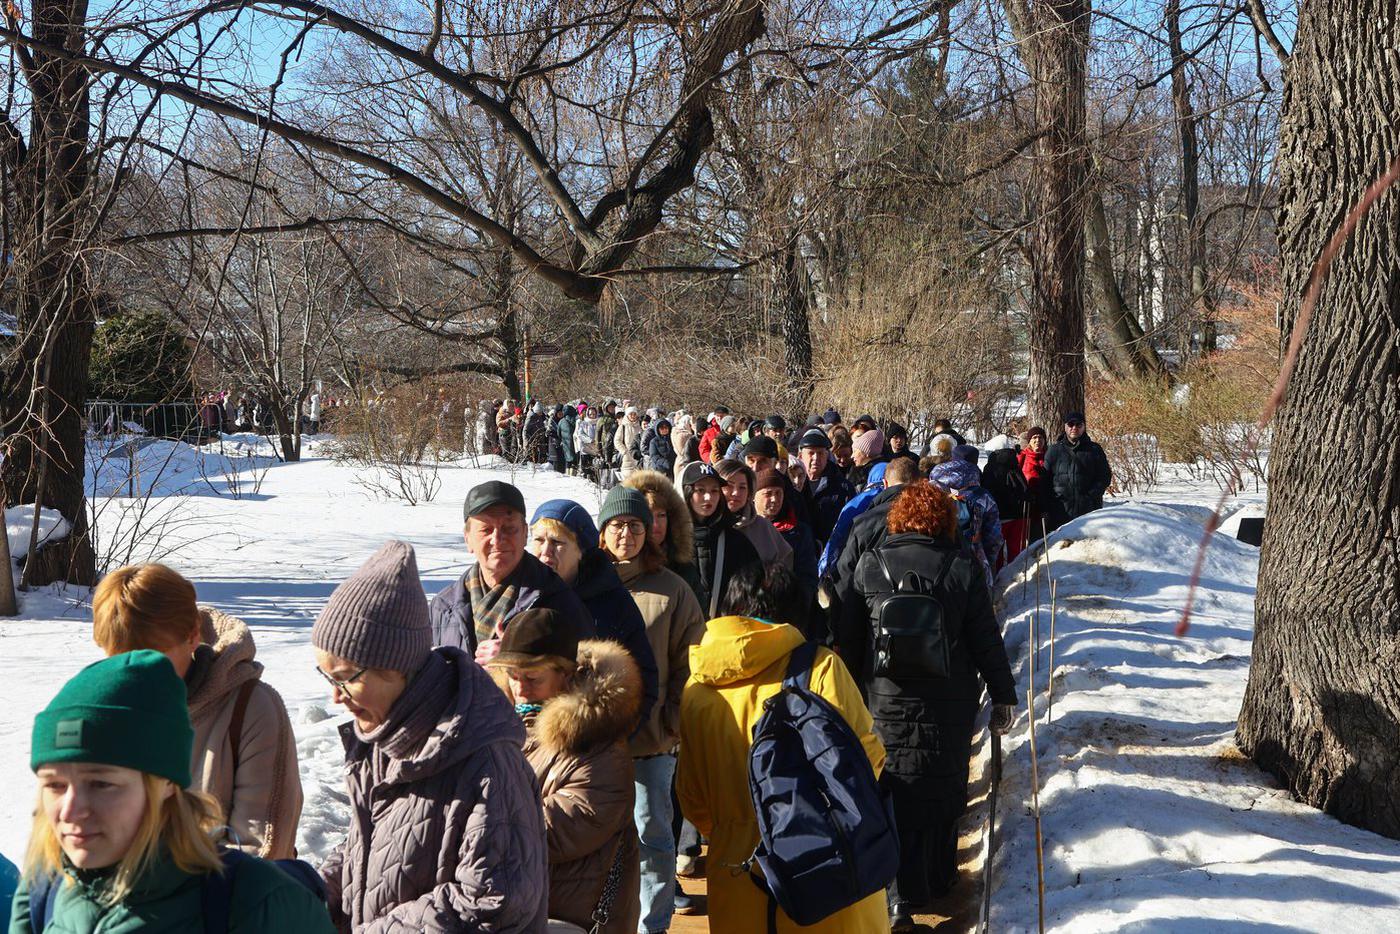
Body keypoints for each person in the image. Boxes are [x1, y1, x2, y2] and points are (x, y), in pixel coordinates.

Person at [314, 540, 547, 930]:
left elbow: (492, 898)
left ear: (396, 669)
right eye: (326, 677)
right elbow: (370, 846)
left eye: (345, 679)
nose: (334, 697)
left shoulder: (485, 760)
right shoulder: (382, 735)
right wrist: (311, 891)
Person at [12, 651, 333, 932]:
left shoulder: (257, 904)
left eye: (101, 783)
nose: (70, 810)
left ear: (165, 784)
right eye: (54, 785)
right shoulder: (41, 893)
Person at [836, 482, 1016, 928]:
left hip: (883, 700)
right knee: (940, 785)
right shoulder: (961, 567)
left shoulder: (870, 565)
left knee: (891, 786)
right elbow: (985, 639)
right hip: (947, 703)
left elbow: (847, 637)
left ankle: (894, 893)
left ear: (897, 519)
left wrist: (848, 695)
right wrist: (1003, 695)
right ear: (944, 521)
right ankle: (935, 879)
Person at [676, 564, 889, 934]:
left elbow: (693, 799)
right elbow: (867, 760)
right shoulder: (821, 667)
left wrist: (739, 826)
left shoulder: (696, 689)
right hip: (825, 870)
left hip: (737, 873)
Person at [90, 563, 302, 859]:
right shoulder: (103, 713)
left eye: (152, 658)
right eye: (119, 660)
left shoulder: (252, 709)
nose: (136, 674)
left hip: (227, 901)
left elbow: (263, 851)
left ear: (192, 635)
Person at [487, 611, 643, 934]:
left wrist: (471, 820)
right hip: (518, 912)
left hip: (575, 918)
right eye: (513, 676)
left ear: (567, 676)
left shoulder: (601, 748)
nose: (520, 689)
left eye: (533, 678)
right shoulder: (502, 729)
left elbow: (548, 832)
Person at [596, 486, 706, 934]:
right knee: (594, 839)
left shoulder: (671, 590)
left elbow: (690, 660)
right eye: (617, 524)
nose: (626, 533)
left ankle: (652, 926)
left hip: (651, 743)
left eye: (636, 525)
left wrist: (673, 721)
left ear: (650, 533)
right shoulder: (585, 585)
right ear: (602, 531)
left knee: (653, 839)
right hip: (592, 744)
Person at [429, 480, 596, 661]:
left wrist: (520, 659)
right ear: (467, 538)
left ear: (525, 534)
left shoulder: (558, 602)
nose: (497, 539)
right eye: (486, 530)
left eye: (509, 528)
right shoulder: (443, 607)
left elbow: (586, 677)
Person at [528, 499, 660, 724]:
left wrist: (614, 741)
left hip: (591, 740)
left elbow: (643, 681)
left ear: (581, 550)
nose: (546, 551)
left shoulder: (613, 602)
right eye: (539, 540)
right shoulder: (522, 595)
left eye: (557, 542)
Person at [681, 461, 762, 618]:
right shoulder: (671, 541)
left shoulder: (736, 541)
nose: (708, 497)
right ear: (686, 493)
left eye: (714, 491)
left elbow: (753, 592)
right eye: (700, 490)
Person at [623, 470, 706, 604]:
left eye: (661, 515)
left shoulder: (684, 570)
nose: (656, 525)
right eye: (649, 515)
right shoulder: (619, 569)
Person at [930, 447, 1003, 587]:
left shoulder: (931, 491)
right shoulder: (983, 496)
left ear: (952, 459)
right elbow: (994, 538)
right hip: (973, 563)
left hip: (935, 562)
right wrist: (988, 560)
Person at [752, 469, 818, 606]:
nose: (774, 499)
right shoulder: (746, 529)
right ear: (754, 496)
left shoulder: (799, 531)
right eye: (768, 494)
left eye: (778, 493)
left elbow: (807, 575)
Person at [714, 459, 794, 570]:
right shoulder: (703, 525)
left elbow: (785, 565)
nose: (736, 492)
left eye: (742, 487)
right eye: (729, 485)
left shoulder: (763, 527)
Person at [1044, 411, 1113, 529]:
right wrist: (1052, 502)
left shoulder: (1094, 449)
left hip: (1089, 511)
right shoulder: (1053, 450)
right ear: (1065, 427)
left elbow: (1104, 476)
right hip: (1060, 511)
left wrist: (1091, 496)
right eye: (1071, 424)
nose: (1074, 428)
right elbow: (1045, 481)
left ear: (1084, 427)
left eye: (1078, 425)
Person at [798, 427, 856, 549]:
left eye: (820, 453)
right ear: (800, 456)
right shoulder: (791, 486)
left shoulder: (843, 488)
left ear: (827, 455)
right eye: (811, 453)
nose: (815, 458)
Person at [982, 445, 1030, 566]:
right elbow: (1025, 489)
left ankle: (998, 580)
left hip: (997, 517)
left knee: (996, 553)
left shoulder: (990, 468)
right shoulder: (1015, 465)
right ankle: (1016, 579)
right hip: (1018, 515)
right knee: (1017, 553)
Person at [1020, 426, 1050, 541]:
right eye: (1034, 437)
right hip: (1028, 506)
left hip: (1046, 504)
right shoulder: (1022, 456)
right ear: (1029, 441)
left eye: (1040, 437)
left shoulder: (1049, 456)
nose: (1038, 440)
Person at [615, 406, 644, 479]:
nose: (633, 416)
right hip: (627, 457)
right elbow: (617, 440)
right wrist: (624, 451)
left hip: (639, 456)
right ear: (627, 415)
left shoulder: (640, 425)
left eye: (634, 414)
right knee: (627, 478)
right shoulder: (623, 426)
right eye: (631, 414)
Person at [558, 403, 579, 476]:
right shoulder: (576, 420)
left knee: (567, 460)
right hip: (575, 443)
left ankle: (567, 474)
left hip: (565, 444)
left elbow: (558, 433)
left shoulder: (561, 421)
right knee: (574, 460)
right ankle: (573, 474)